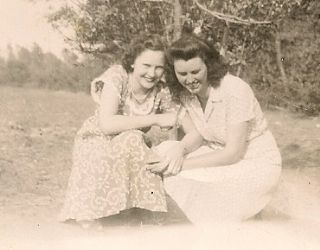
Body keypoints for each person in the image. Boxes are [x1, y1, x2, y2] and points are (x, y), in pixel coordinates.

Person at [147, 34, 282, 224]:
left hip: (254, 163)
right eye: (182, 74)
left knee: (185, 179)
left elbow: (233, 153)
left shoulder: (234, 90)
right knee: (166, 151)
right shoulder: (186, 94)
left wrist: (179, 165)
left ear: (208, 65)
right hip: (218, 153)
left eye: (195, 71)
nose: (190, 79)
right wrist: (180, 149)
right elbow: (199, 135)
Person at [59, 33, 178, 228]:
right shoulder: (118, 76)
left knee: (138, 143)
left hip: (131, 141)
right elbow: (107, 124)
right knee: (132, 139)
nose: (152, 73)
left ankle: (142, 211)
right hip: (97, 138)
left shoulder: (161, 90)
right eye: (146, 66)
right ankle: (103, 214)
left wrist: (179, 145)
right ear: (133, 63)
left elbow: (178, 120)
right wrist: (157, 118)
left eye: (158, 68)